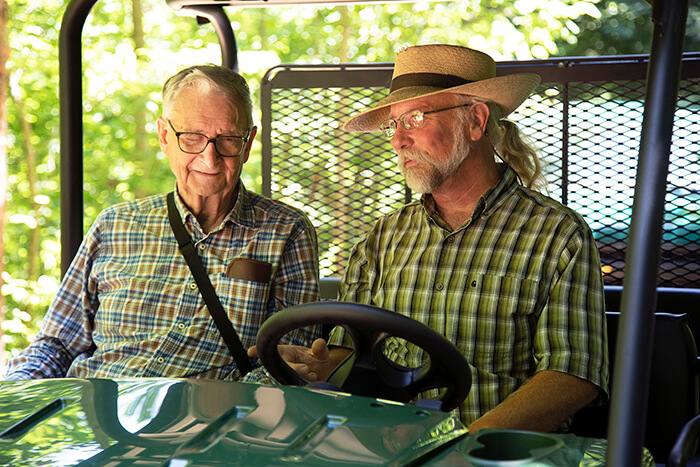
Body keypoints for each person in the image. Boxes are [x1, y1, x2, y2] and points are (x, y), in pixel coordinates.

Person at [249, 44, 608, 433]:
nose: (398, 141)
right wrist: (324, 366)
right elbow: (348, 352)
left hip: (493, 456)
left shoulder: (557, 235)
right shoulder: (383, 238)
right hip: (386, 447)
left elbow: (573, 376)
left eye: (415, 119)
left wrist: (463, 448)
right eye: (394, 124)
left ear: (476, 121)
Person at [6, 65, 321, 381]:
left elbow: (289, 366)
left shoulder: (287, 231)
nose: (209, 159)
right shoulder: (115, 225)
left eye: (228, 139)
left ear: (248, 142)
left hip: (208, 418)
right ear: (164, 136)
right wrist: (13, 394)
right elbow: (56, 345)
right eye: (192, 137)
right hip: (96, 410)